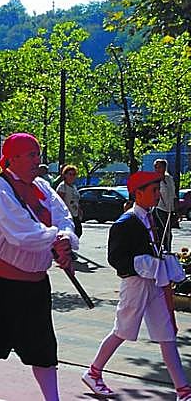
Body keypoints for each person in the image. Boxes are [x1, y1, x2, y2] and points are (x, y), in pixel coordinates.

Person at [0, 133, 77, 401]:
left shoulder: (42, 187)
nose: (37, 160)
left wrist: (66, 239)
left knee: (43, 349)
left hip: (34, 286)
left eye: (38, 154)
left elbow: (63, 216)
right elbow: (19, 232)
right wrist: (55, 239)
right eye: (31, 155)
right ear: (13, 158)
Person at [82, 171, 191, 400]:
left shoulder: (153, 217)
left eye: (158, 189)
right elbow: (116, 258)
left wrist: (163, 264)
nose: (158, 194)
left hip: (155, 282)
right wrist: (145, 264)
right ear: (138, 193)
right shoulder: (126, 222)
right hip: (136, 284)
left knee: (167, 333)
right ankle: (93, 372)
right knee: (123, 330)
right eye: (153, 190)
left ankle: (183, 390)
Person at [56, 164, 82, 239]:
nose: (72, 176)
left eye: (74, 174)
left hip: (75, 213)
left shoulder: (74, 187)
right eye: (70, 174)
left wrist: (79, 210)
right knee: (70, 233)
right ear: (65, 175)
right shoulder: (62, 186)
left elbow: (76, 200)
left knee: (78, 231)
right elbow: (59, 202)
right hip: (67, 215)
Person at [154, 159, 176, 250]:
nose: (157, 169)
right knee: (166, 232)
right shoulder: (155, 180)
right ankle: (165, 250)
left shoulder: (169, 178)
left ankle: (166, 250)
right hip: (159, 208)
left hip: (169, 209)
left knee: (167, 232)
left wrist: (176, 209)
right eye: (156, 167)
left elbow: (173, 194)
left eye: (159, 167)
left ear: (164, 167)